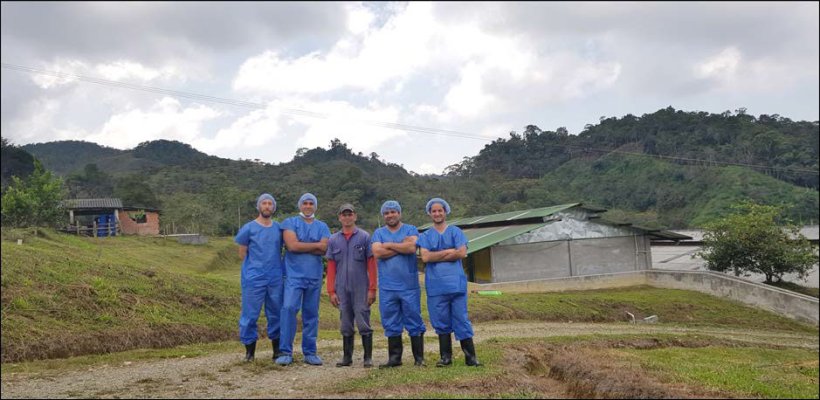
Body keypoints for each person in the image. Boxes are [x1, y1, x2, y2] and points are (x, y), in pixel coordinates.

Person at [416, 197, 481, 367]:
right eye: (434, 211)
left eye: (440, 210)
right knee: (441, 321)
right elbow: (425, 257)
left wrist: (436, 255)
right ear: (430, 213)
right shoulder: (426, 235)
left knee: (461, 319)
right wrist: (449, 252)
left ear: (445, 212)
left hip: (456, 285)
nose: (437, 213)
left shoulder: (455, 232)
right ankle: (446, 357)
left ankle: (471, 357)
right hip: (436, 286)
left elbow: (462, 253)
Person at [275, 193, 331, 366]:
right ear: (300, 205)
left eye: (311, 203)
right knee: (289, 309)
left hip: (314, 276)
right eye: (305, 203)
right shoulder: (290, 223)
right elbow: (292, 246)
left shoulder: (322, 226)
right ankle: (285, 351)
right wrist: (315, 245)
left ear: (315, 206)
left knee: (311, 314)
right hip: (293, 275)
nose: (308, 206)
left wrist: (302, 245)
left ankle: (310, 352)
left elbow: (324, 249)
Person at [371, 200, 427, 368]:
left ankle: (419, 358)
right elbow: (377, 252)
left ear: (399, 213)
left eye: (393, 212)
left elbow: (411, 248)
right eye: (387, 213)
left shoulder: (410, 229)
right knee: (390, 320)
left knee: (414, 318)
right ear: (383, 215)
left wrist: (388, 245)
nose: (390, 215)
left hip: (408, 285)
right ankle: (395, 358)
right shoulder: (378, 232)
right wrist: (401, 246)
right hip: (387, 286)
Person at [234, 193, 284, 362]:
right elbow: (242, 253)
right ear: (259, 206)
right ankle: (250, 352)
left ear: (273, 207)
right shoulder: (248, 228)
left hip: (275, 276)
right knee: (250, 313)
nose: (267, 206)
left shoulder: (279, 229)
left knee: (276, 313)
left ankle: (277, 351)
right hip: (253, 277)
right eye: (264, 203)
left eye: (270, 203)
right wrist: (253, 269)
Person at [326, 203, 377, 368]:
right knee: (345, 322)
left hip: (361, 286)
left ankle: (367, 357)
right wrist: (331, 291)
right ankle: (347, 357)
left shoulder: (364, 237)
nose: (347, 217)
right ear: (339, 217)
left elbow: (371, 265)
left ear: (355, 216)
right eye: (344, 214)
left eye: (350, 214)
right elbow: (331, 267)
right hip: (341, 287)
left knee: (363, 321)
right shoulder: (333, 240)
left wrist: (372, 289)